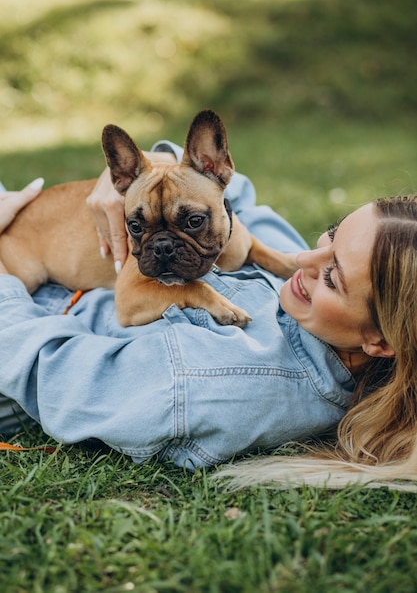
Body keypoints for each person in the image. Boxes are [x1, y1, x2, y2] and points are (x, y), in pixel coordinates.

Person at [0, 140, 416, 490]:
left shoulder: (223, 385)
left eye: (331, 275)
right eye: (332, 232)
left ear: (380, 341)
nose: (304, 256)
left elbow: (53, 374)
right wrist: (144, 168)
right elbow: (236, 198)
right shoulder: (309, 295)